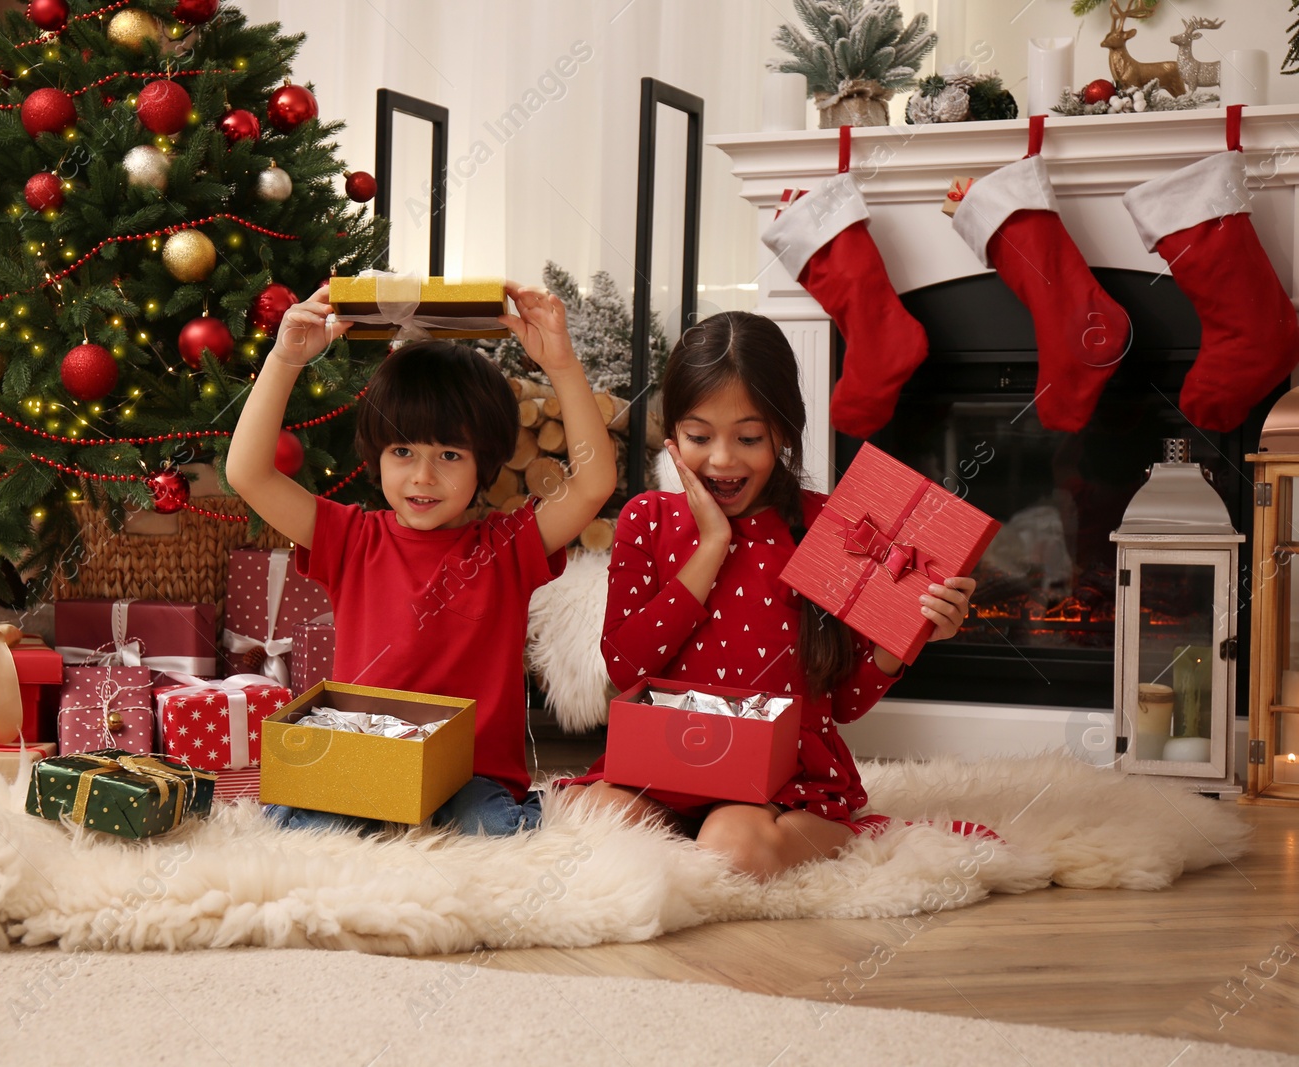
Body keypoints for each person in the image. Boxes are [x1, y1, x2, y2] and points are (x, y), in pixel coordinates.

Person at [562, 311, 988, 879]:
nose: (722, 459)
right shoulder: (647, 519)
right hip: (666, 762)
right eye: (698, 437)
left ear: (782, 433)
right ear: (673, 438)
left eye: (749, 437)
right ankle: (707, 835)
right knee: (586, 822)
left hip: (782, 776)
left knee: (730, 850)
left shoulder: (827, 526)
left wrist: (905, 637)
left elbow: (845, 704)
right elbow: (625, 666)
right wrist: (712, 543)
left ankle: (835, 834)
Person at [225, 282, 616, 835]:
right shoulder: (348, 537)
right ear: (376, 454)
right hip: (364, 767)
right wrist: (285, 358)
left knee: (494, 836)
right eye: (402, 451)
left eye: (449, 455)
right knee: (307, 831)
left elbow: (594, 482)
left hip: (472, 777)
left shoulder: (507, 547)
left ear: (484, 464)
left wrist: (562, 364)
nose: (422, 477)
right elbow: (247, 473)